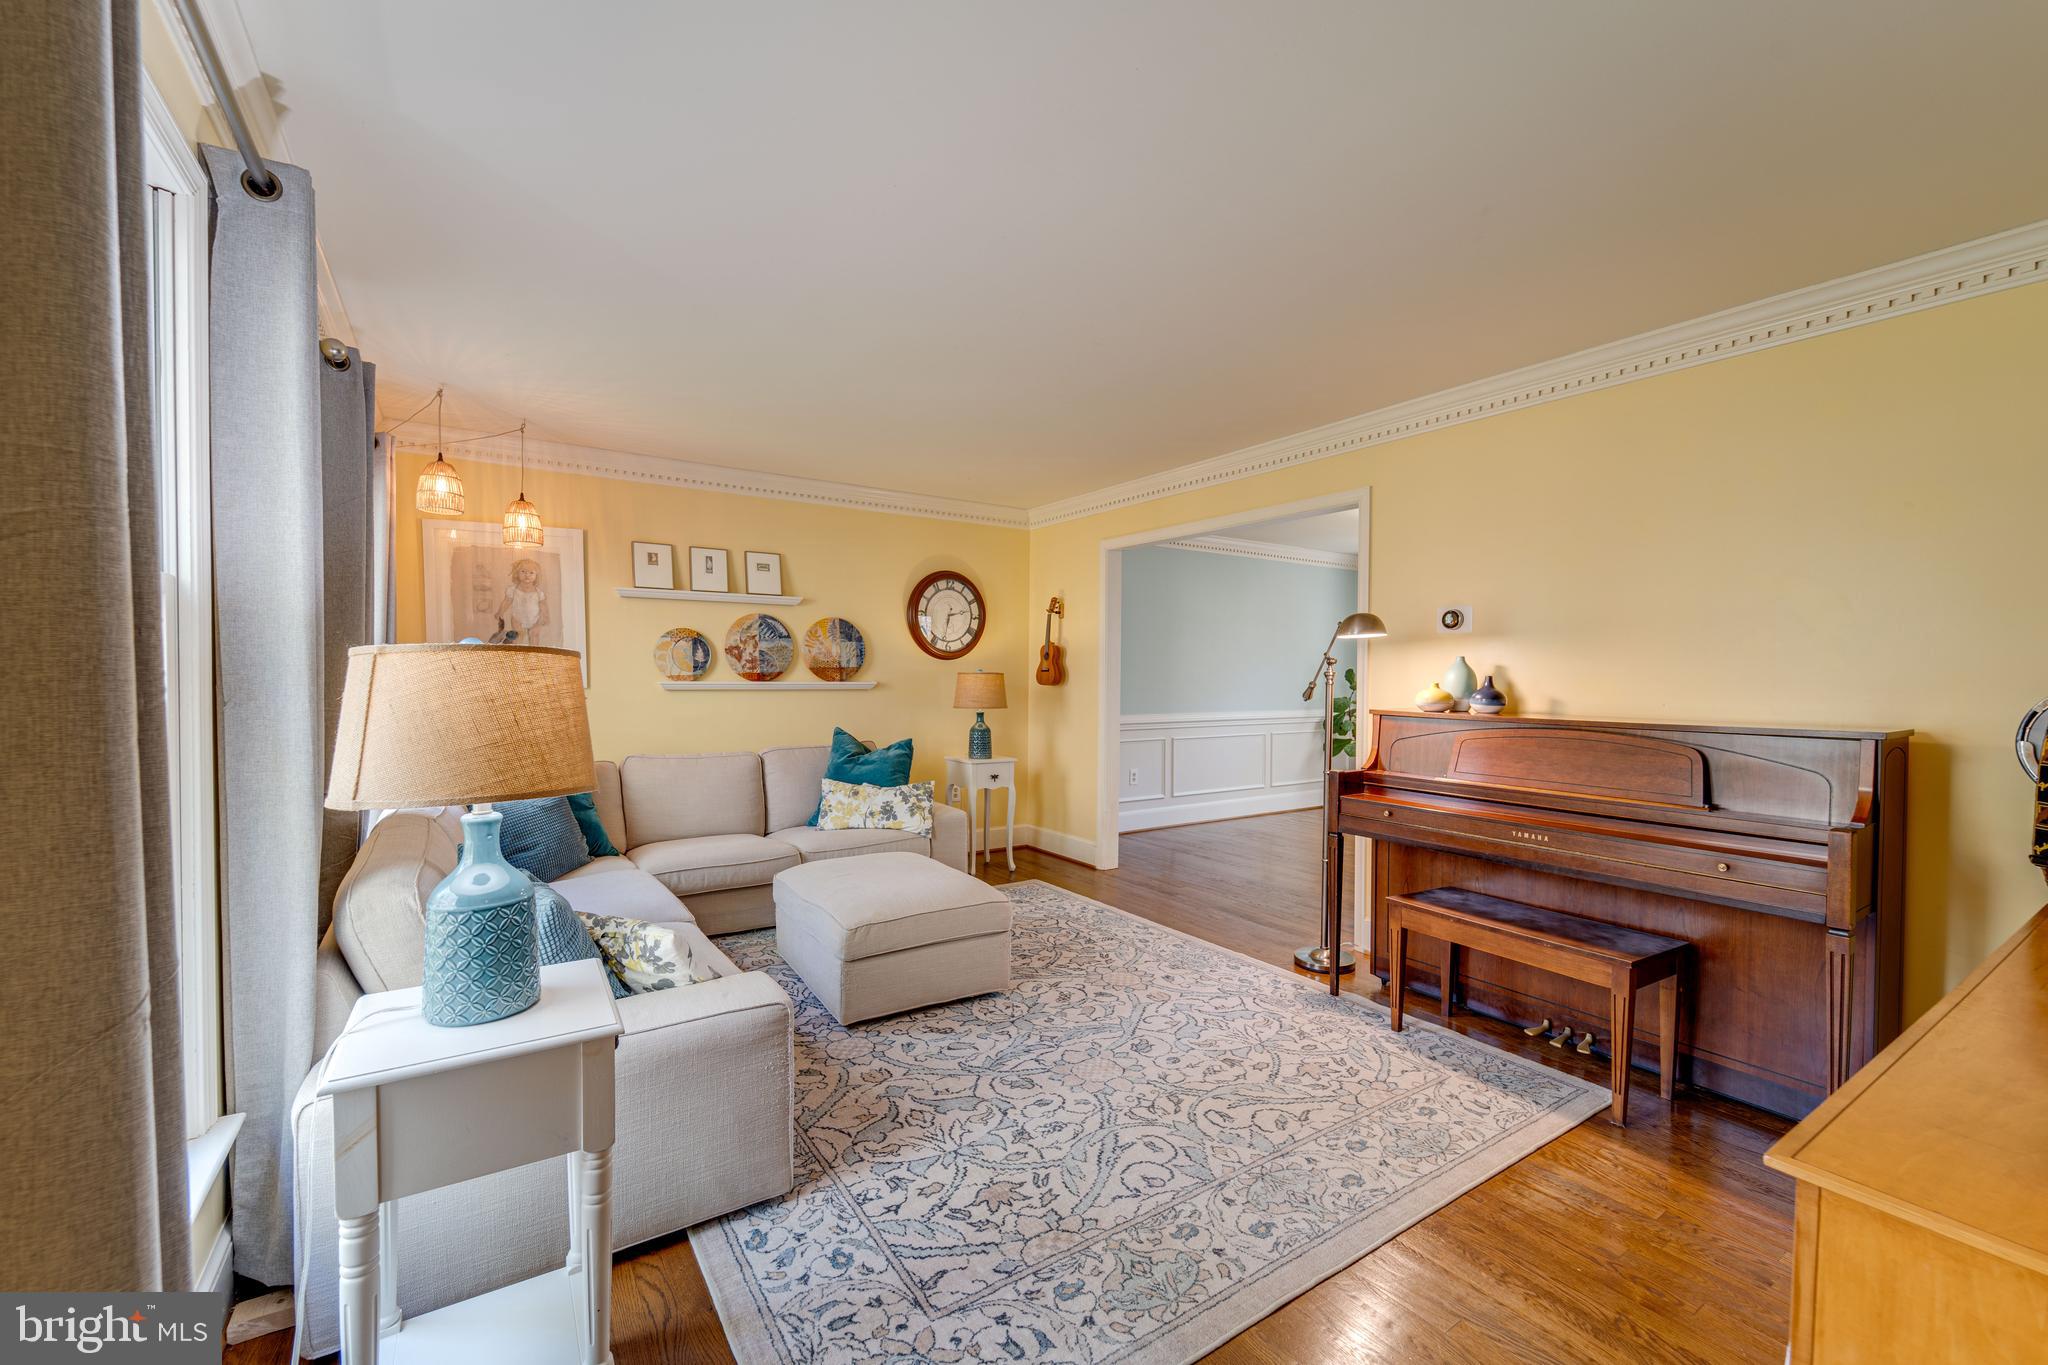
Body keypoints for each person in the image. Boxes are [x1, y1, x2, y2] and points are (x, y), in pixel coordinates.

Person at [495, 557, 549, 644]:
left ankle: (534, 653)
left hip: (535, 619)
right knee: (518, 635)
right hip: (518, 618)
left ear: (536, 576)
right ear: (517, 574)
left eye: (531, 573)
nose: (527, 575)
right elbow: (507, 601)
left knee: (534, 635)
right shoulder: (513, 590)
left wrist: (545, 616)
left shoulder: (539, 593)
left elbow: (543, 606)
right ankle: (518, 652)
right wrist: (500, 612)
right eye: (523, 572)